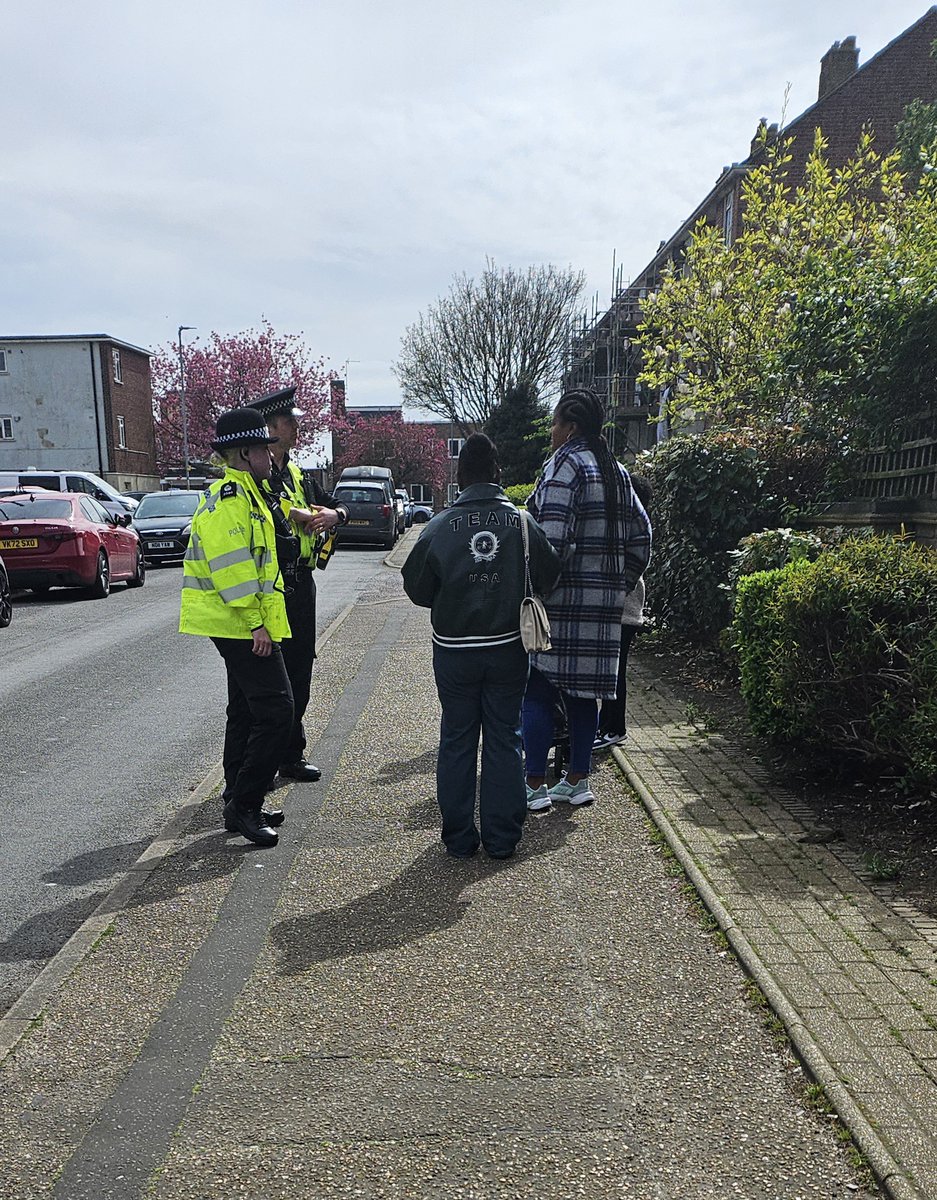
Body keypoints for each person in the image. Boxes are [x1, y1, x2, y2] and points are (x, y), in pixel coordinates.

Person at [401, 434, 561, 859]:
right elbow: (550, 575)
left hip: (454, 650)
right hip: (508, 647)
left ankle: (458, 837)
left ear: (459, 476)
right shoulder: (523, 523)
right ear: (497, 473)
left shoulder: (438, 526)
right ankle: (502, 838)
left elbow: (416, 588)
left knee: (457, 738)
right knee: (505, 737)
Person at [522, 389, 651, 812]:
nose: (552, 432)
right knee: (584, 695)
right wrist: (619, 585)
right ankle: (578, 781)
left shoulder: (565, 465)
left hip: (562, 602)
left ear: (570, 426)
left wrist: (537, 590)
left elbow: (550, 541)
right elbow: (642, 537)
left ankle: (536, 785)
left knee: (539, 691)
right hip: (604, 606)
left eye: (555, 423)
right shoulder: (615, 471)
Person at [179, 407, 303, 847]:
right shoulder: (231, 501)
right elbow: (233, 570)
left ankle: (237, 800)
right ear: (246, 453)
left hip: (243, 621)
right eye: (265, 449)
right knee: (277, 711)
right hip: (238, 622)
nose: (272, 456)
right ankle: (246, 804)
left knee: (247, 710)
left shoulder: (248, 494)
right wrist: (256, 625)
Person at [246, 387, 350, 783]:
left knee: (301, 672)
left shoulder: (295, 472)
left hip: (301, 585)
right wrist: (301, 513)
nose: (298, 426)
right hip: (272, 587)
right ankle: (264, 763)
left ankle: (291, 754)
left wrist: (334, 514)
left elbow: (337, 503)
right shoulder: (260, 474)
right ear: (271, 429)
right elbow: (269, 509)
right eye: (291, 421)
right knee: (274, 682)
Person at [593, 472, 654, 751]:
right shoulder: (629, 523)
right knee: (610, 670)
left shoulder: (630, 525)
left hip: (625, 610)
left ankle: (614, 728)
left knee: (614, 672)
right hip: (624, 609)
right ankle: (605, 724)